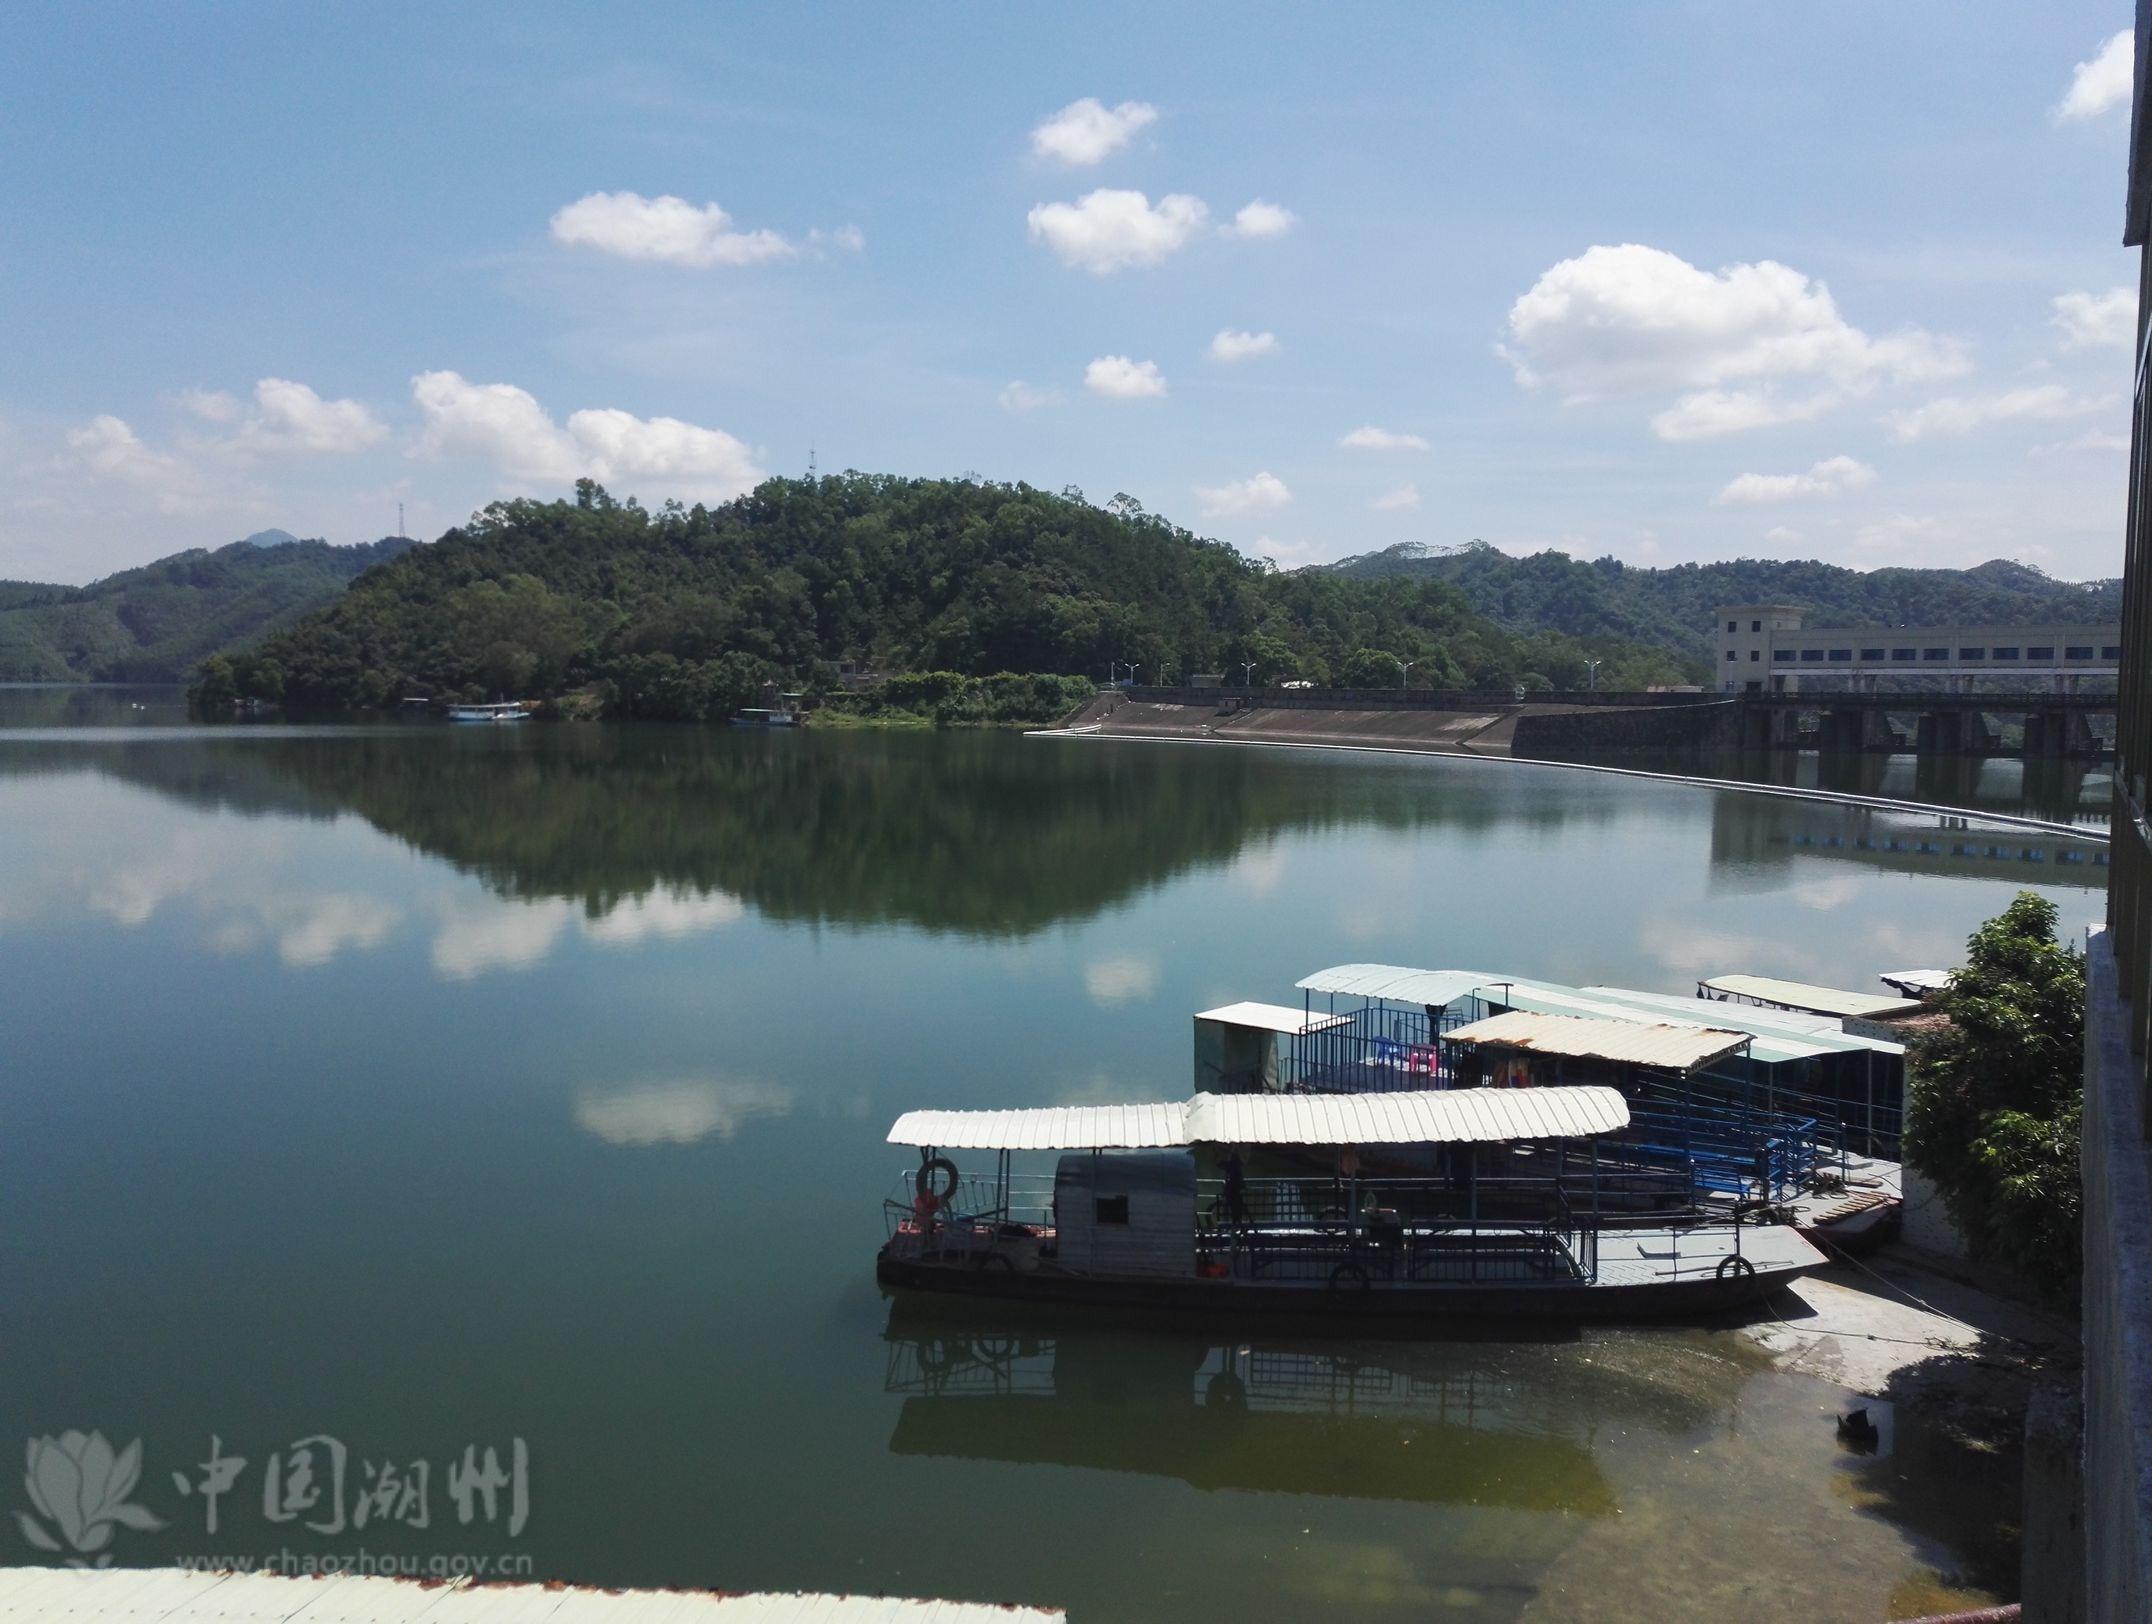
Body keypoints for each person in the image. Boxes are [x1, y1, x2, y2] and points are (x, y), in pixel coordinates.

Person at [1221, 1148, 1248, 1231]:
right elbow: (1240, 1181)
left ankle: (1232, 1226)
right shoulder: (1238, 1167)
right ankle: (1237, 1225)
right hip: (1236, 1192)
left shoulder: (1229, 1167)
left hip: (1231, 1192)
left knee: (1231, 1209)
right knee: (1237, 1210)